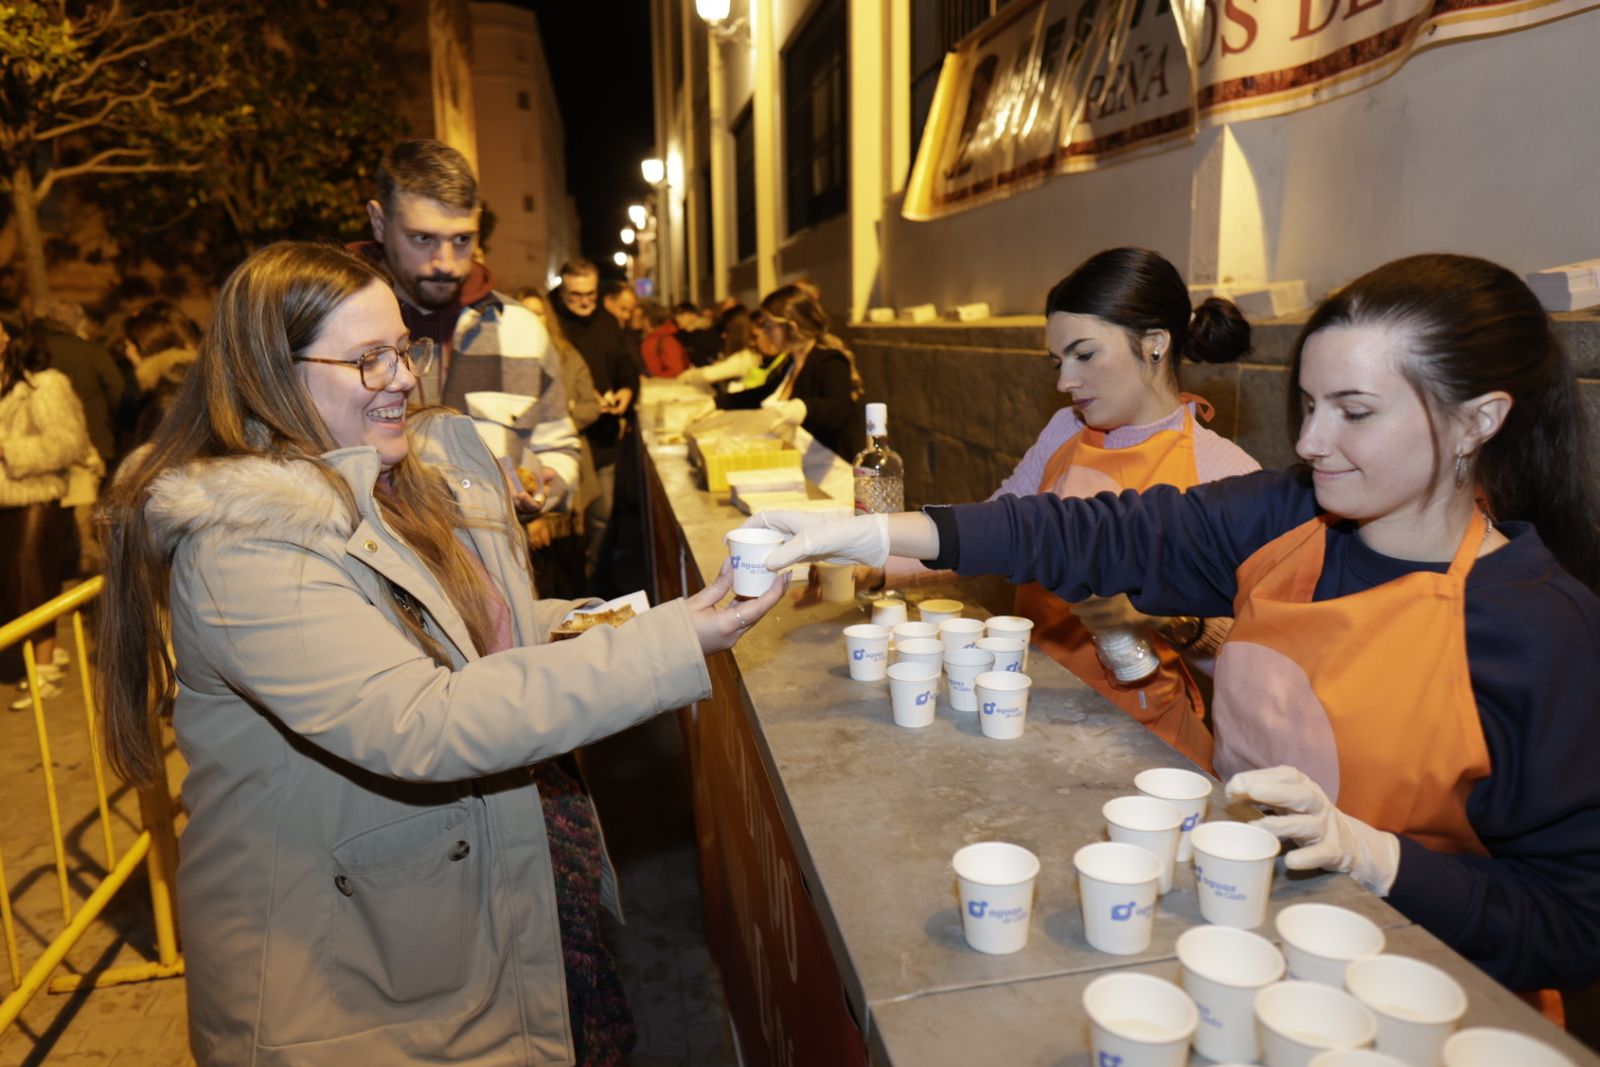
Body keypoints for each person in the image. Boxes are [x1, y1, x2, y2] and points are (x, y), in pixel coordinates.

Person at [750, 253, 1600, 996]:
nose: (1311, 441)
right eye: (1306, 405)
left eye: (1354, 410)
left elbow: (1571, 921)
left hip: (1409, 998)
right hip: (1234, 942)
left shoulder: (1538, 627)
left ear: (1479, 420)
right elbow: (1085, 530)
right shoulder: (1281, 517)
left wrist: (1372, 855)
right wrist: (876, 531)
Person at [95, 242, 786, 1065]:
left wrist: (642, 621)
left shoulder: (372, 484)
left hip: (464, 924)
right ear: (272, 373)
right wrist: (677, 642)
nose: (403, 378)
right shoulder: (246, 547)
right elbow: (423, 718)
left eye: (406, 350)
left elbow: (468, 631)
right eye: (367, 358)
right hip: (357, 985)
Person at [985, 248, 1258, 768]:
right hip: (1034, 707)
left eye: (1084, 355)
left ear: (1154, 344)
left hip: (1143, 742)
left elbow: (1262, 657)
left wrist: (1171, 620)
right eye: (1058, 361)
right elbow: (998, 523)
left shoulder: (1226, 472)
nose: (1065, 381)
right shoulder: (1066, 429)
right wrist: (878, 551)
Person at [357, 138, 580, 517]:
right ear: (380, 222)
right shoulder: (332, 331)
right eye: (422, 239)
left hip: (495, 570)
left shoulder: (523, 330)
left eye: (462, 240)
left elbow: (559, 447)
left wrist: (546, 485)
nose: (445, 263)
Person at [0, 318, 92, 708]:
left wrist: (9, 449)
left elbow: (68, 441)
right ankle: (39, 659)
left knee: (32, 576)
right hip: (6, 499)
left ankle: (45, 668)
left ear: (9, 336)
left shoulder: (45, 383)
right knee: (12, 584)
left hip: (37, 495)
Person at [549, 259, 641, 587]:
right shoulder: (548, 319)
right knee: (567, 522)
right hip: (561, 439)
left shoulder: (606, 321)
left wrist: (627, 392)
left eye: (590, 293)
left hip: (602, 438)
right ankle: (570, 586)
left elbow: (625, 365)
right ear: (562, 289)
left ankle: (594, 581)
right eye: (576, 294)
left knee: (602, 516)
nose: (585, 301)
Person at [516, 286, 603, 599]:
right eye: (525, 312)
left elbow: (591, 405)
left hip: (564, 469)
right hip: (527, 483)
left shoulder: (565, 354)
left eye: (538, 313)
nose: (532, 320)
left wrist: (561, 420)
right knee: (537, 575)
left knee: (569, 561)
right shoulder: (507, 360)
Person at [752, 285, 866, 459]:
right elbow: (762, 393)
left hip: (825, 471)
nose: (765, 332)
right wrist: (715, 402)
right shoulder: (790, 362)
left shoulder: (830, 362)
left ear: (792, 327)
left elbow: (840, 408)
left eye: (769, 325)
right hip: (793, 463)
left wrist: (804, 408)